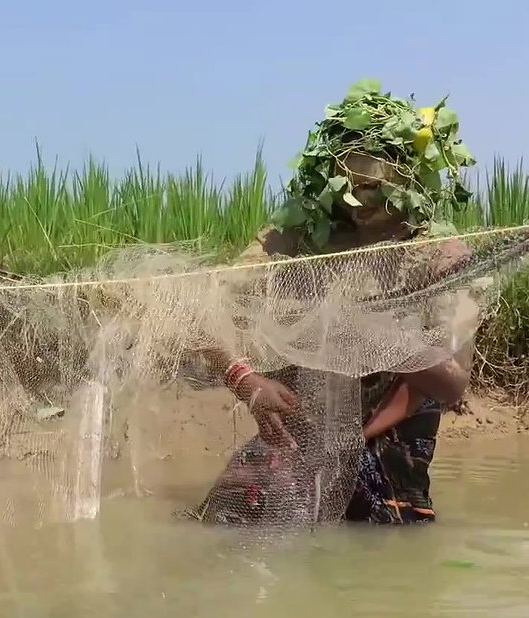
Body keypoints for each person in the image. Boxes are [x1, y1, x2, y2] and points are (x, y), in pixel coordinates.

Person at [194, 89, 476, 527]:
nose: (361, 201)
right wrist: (247, 382)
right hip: (299, 426)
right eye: (350, 186)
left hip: (387, 434)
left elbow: (453, 385)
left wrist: (370, 334)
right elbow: (199, 309)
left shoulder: (437, 252)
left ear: (408, 183)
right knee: (218, 523)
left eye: (375, 188)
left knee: (376, 544)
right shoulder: (295, 239)